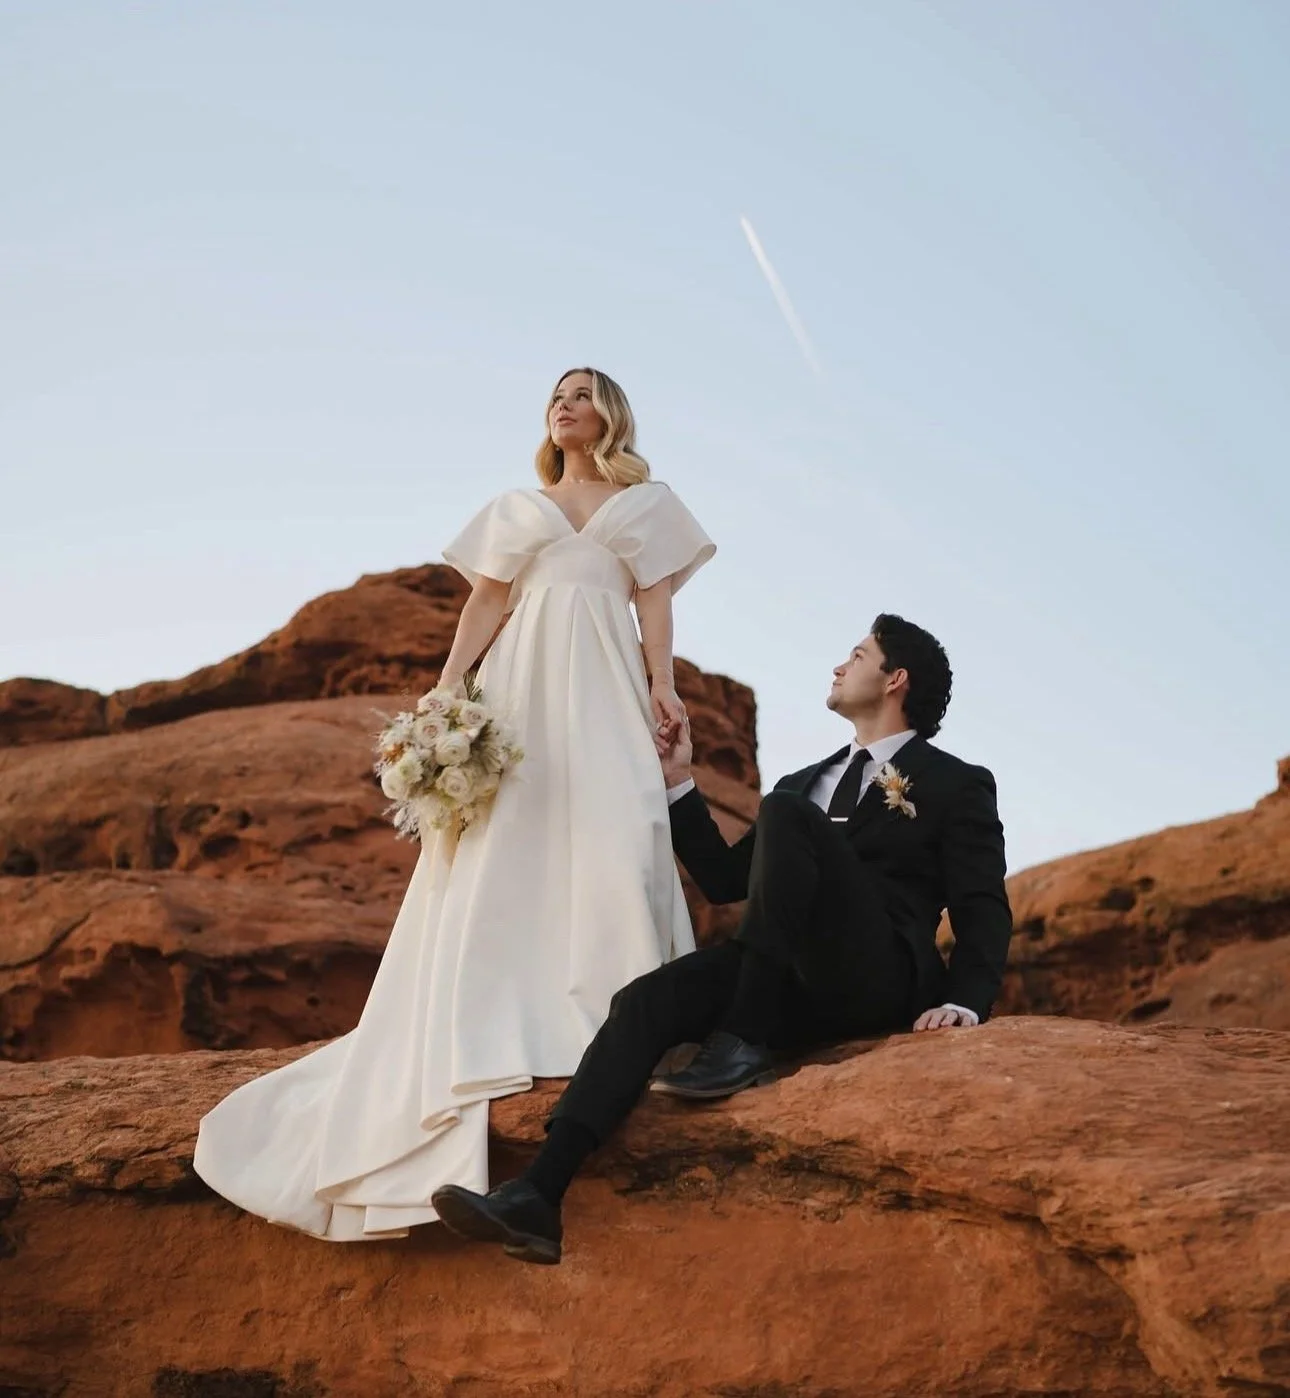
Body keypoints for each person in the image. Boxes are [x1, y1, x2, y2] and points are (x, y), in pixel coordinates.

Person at [193, 367, 715, 1240]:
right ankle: (501, 1008)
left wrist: (662, 685)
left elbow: (652, 604)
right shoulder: (522, 503)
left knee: (621, 831)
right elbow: (489, 598)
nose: (566, 404)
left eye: (583, 393)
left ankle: (615, 1010)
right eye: (557, 394)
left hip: (607, 687)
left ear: (610, 414)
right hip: (523, 687)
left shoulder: (647, 502)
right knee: (513, 835)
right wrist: (446, 688)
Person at [431, 613, 1013, 1263]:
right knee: (644, 1002)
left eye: (857, 654)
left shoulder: (958, 783)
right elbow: (727, 880)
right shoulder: (803, 784)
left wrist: (968, 1001)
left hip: (875, 974)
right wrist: (679, 778)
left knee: (786, 815)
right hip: (787, 975)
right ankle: (538, 1195)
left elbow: (981, 903)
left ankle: (743, 1038)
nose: (839, 666)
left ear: (896, 679)